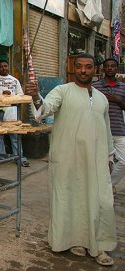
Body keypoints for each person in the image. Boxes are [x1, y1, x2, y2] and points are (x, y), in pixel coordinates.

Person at [26, 53, 117, 266]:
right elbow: (44, 110)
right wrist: (36, 96)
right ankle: (75, 240)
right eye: (79, 66)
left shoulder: (102, 98)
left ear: (96, 70)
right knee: (70, 200)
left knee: (101, 201)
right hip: (67, 159)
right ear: (73, 69)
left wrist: (110, 156)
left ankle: (100, 246)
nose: (83, 70)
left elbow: (107, 130)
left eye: (88, 67)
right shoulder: (62, 91)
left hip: (95, 160)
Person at [0, 59, 30, 167]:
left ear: (8, 67)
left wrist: (11, 96)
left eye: (5, 66)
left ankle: (20, 158)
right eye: (1, 66)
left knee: (15, 134)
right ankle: (0, 157)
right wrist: (2, 93)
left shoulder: (14, 80)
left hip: (11, 111)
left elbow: (21, 94)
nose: (3, 68)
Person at [93, 58, 125, 193]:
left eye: (113, 66)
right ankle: (102, 188)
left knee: (123, 161)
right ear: (103, 69)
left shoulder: (123, 87)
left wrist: (118, 101)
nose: (110, 68)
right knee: (101, 162)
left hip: (119, 130)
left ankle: (108, 184)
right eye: (107, 66)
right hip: (100, 131)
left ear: (117, 69)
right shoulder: (95, 87)